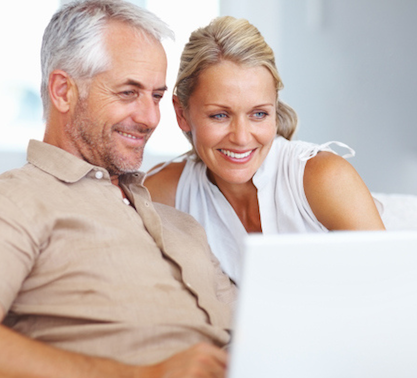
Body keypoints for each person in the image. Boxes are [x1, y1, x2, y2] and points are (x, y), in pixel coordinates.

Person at [0, 1, 236, 377]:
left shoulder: (181, 224)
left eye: (157, 96)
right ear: (63, 91)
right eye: (128, 93)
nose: (150, 118)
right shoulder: (13, 203)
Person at [144, 16, 385, 283]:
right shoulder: (165, 192)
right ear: (182, 114)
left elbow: (392, 285)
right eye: (220, 116)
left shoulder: (323, 177)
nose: (242, 137)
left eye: (258, 114)